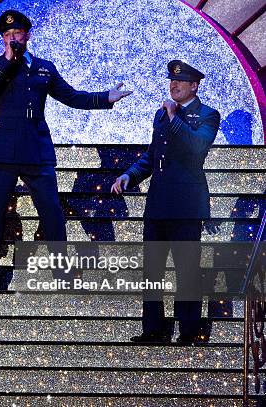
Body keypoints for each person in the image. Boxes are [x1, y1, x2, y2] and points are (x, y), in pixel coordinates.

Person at [0, 10, 132, 288]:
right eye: (8, 34)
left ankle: (61, 270)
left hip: (36, 150)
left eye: (18, 33)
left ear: (27, 35)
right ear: (2, 37)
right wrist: (7, 60)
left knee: (51, 211)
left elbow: (71, 96)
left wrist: (105, 98)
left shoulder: (44, 67)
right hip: (2, 152)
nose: (13, 38)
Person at [111, 60, 221, 344]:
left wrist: (174, 118)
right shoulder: (161, 115)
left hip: (186, 204)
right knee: (153, 269)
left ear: (194, 85)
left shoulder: (207, 115)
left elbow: (196, 149)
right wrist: (129, 176)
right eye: (172, 81)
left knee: (187, 269)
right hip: (158, 204)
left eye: (180, 82)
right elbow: (152, 155)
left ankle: (189, 330)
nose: (174, 85)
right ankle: (155, 329)